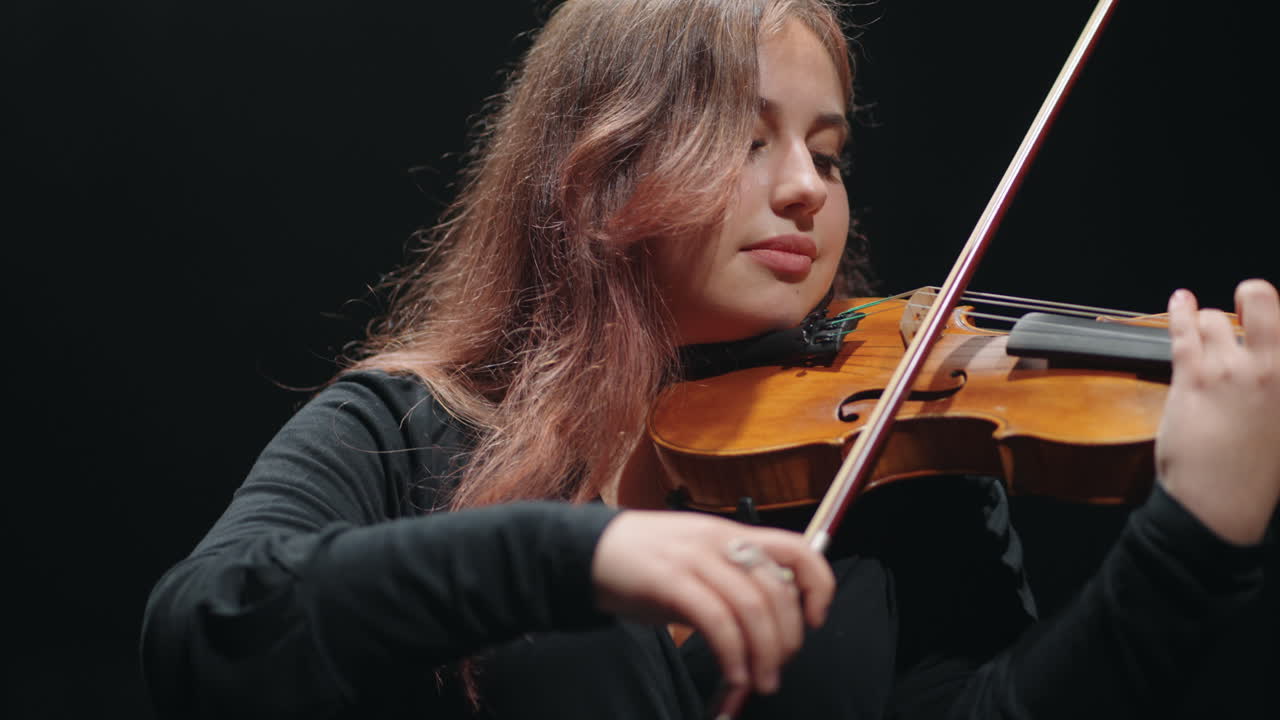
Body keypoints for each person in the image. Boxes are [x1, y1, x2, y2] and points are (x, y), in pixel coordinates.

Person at [139, 1, 1278, 718]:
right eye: (746, 138)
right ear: (597, 168)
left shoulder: (886, 454)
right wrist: (575, 555)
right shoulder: (408, 428)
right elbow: (204, 640)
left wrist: (1186, 547)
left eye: (826, 155)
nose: (803, 187)